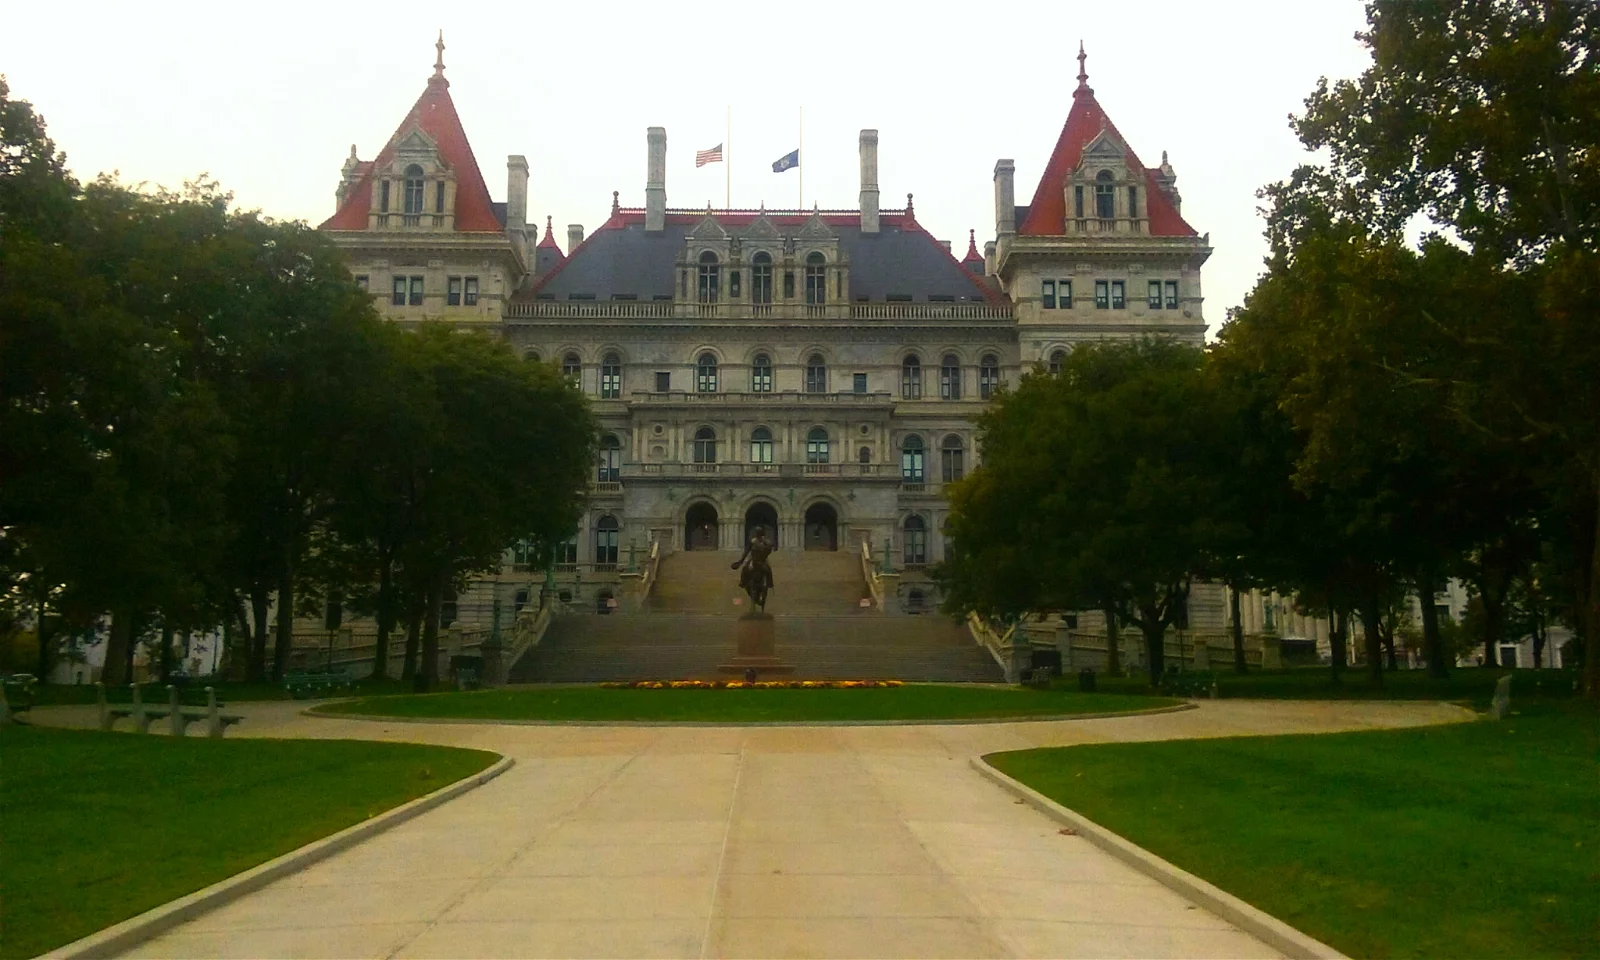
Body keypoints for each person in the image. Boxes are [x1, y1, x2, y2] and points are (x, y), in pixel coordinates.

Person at [731, 526, 775, 601]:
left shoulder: (766, 541)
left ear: (762, 533)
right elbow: (747, 551)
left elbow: (770, 547)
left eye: (759, 532)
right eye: (757, 532)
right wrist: (741, 560)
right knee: (745, 567)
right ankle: (743, 582)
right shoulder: (753, 541)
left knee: (768, 569)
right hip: (752, 557)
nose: (757, 534)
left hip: (763, 559)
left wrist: (766, 545)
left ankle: (769, 583)